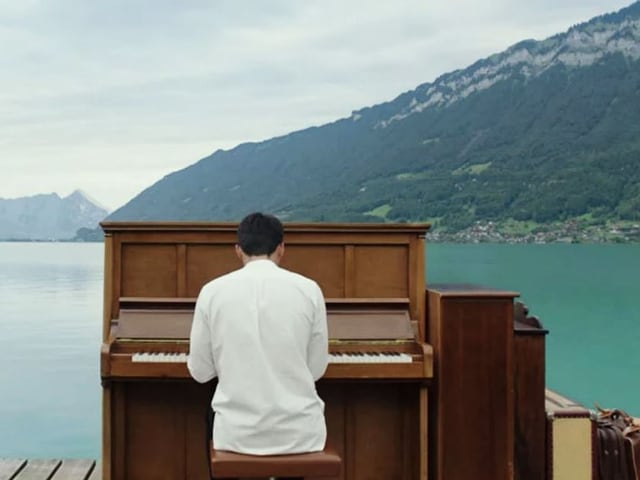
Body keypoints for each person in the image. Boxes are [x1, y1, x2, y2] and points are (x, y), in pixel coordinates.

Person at [187, 212, 329, 476]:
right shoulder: (310, 290)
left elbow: (200, 372)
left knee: (211, 412)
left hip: (236, 435)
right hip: (300, 434)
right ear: (281, 248)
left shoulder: (212, 291)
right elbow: (316, 369)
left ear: (238, 250)